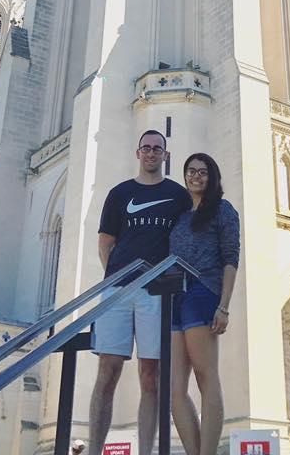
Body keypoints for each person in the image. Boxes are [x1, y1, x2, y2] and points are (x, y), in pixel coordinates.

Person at [86, 129, 191, 455]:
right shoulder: (120, 194)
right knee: (108, 371)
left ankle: (146, 450)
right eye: (145, 148)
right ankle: (93, 450)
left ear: (165, 154)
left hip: (157, 293)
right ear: (138, 153)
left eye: (157, 148)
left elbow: (186, 242)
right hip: (117, 290)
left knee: (151, 376)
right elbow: (106, 243)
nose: (151, 153)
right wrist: (117, 277)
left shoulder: (178, 196)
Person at [169, 153, 241, 455]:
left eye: (202, 172)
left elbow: (230, 258)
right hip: (174, 295)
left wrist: (224, 305)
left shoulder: (223, 210)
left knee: (205, 375)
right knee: (174, 389)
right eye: (190, 171)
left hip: (204, 291)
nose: (195, 176)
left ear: (211, 177)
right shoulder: (180, 215)